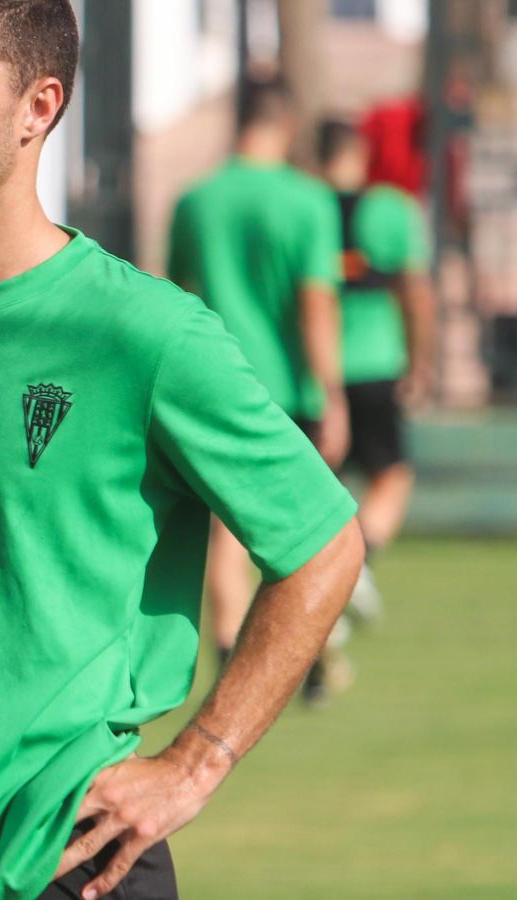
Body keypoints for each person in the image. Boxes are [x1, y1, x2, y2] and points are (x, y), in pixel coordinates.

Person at [0, 2, 364, 898]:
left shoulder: (144, 333)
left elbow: (324, 546)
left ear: (38, 106)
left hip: (66, 864)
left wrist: (195, 763)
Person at [167, 76, 350, 696]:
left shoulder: (195, 201)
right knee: (305, 530)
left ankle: (228, 646)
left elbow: (179, 298)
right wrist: (333, 391)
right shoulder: (308, 201)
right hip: (287, 387)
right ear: (288, 125)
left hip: (212, 384)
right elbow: (316, 304)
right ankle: (307, 659)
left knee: (222, 532)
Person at [317, 118, 437, 616]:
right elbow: (416, 294)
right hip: (375, 364)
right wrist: (421, 361)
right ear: (360, 155)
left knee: (324, 483)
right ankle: (358, 564)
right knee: (392, 474)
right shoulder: (391, 210)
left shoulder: (301, 207)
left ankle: (333, 574)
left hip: (312, 368)